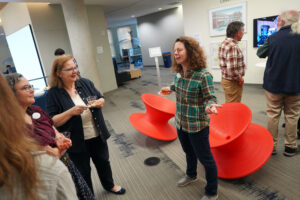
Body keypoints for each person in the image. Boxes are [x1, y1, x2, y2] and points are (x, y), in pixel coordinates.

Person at [4, 73, 95, 200]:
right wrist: (58, 150)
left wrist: (60, 138)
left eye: (31, 86)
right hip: (45, 176)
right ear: (10, 94)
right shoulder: (12, 126)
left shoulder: (35, 110)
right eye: (25, 88)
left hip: (65, 164)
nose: (31, 90)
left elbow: (53, 129)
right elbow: (46, 155)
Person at [46, 55, 126, 195]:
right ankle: (88, 195)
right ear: (59, 73)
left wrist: (101, 101)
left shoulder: (85, 83)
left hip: (96, 133)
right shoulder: (53, 93)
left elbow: (100, 96)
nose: (74, 71)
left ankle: (109, 185)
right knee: (83, 170)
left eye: (75, 67)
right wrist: (70, 112)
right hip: (76, 140)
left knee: (103, 162)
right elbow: (52, 120)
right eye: (69, 69)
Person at [160, 36, 220, 200]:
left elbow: (210, 97)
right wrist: (170, 88)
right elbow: (178, 86)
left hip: (197, 125)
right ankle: (191, 175)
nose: (176, 53)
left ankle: (212, 191)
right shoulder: (179, 74)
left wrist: (211, 106)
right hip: (180, 122)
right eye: (175, 50)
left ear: (190, 52)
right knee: (188, 152)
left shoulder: (203, 75)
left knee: (205, 159)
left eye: (179, 50)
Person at [257, 10, 300, 157]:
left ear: (282, 21)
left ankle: (272, 146)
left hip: (273, 85)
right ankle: (290, 147)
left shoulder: (273, 37)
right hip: (295, 85)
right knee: (292, 116)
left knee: (273, 115)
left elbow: (260, 53)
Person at [218, 21, 246, 103]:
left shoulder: (224, 43)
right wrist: (239, 78)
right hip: (233, 82)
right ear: (238, 33)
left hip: (226, 79)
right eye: (243, 31)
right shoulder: (232, 46)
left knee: (230, 103)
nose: (243, 33)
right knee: (234, 105)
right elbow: (232, 69)